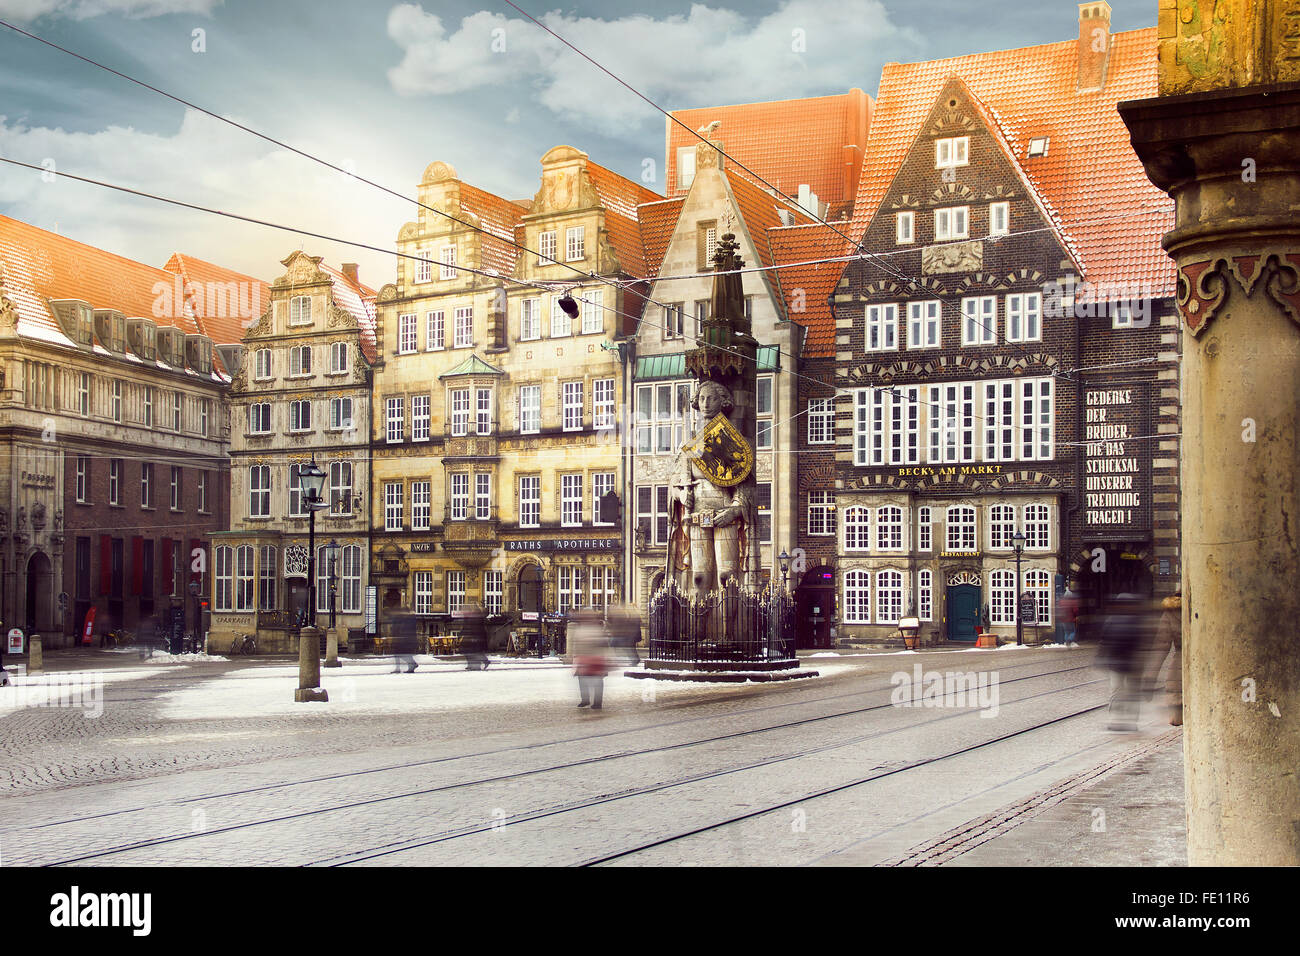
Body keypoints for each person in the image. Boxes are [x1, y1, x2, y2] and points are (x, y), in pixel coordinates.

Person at [1096, 592, 1156, 732]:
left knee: (1119, 692)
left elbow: (1103, 642)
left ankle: (1117, 720)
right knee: (1128, 692)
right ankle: (1125, 720)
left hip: (1121, 663)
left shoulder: (1112, 620)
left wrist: (1100, 657)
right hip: (1128, 663)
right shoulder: (1137, 621)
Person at [570, 608, 609, 709]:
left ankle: (597, 702)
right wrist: (575, 655)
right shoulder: (580, 628)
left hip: (596, 658)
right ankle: (585, 699)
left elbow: (605, 644)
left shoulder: (599, 627)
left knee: (597, 681)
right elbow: (576, 642)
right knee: (582, 679)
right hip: (583, 657)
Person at [457, 603, 489, 671]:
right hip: (472, 636)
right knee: (470, 651)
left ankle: (478, 664)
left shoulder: (475, 616)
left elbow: (473, 627)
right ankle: (473, 664)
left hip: (475, 637)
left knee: (473, 651)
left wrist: (473, 637)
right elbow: (466, 626)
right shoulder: (471, 616)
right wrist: (461, 634)